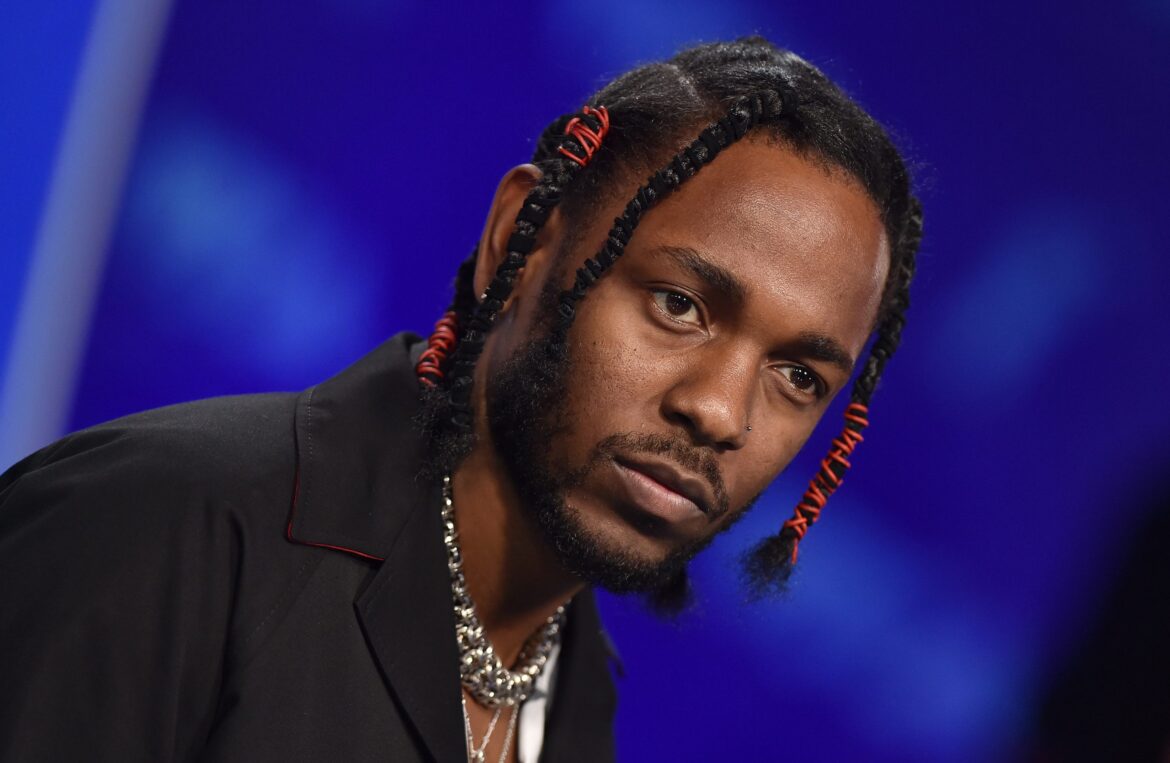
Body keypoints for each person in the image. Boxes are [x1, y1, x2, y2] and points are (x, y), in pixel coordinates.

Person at [0, 37, 922, 762]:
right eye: (679, 305)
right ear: (523, 238)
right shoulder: (165, 525)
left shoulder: (575, 697)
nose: (720, 412)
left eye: (799, 376)